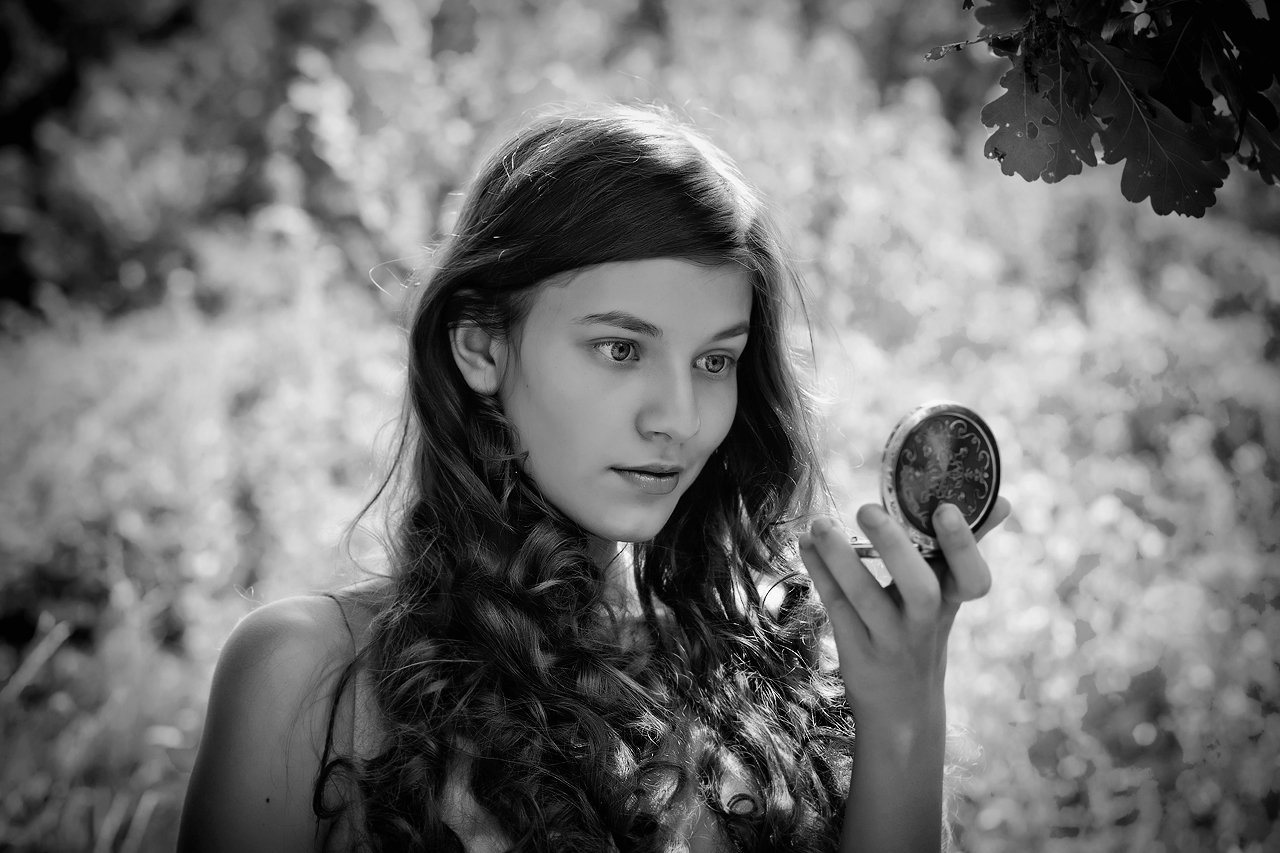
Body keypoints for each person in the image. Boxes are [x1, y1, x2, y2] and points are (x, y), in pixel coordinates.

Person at [176, 104, 1010, 853]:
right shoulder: (307, 675)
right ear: (480, 345)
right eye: (621, 348)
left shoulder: (766, 678)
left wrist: (904, 713)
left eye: (714, 360)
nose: (678, 417)